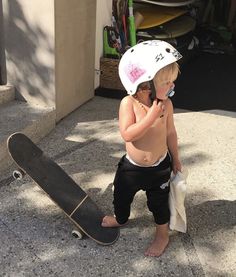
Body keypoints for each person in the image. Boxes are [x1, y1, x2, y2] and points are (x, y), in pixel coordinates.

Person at [102, 40, 182, 257]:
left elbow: (170, 133)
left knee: (159, 205)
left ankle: (162, 235)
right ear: (145, 83)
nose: (172, 86)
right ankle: (120, 218)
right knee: (121, 195)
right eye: (166, 82)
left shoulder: (166, 105)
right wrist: (151, 116)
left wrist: (175, 158)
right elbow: (128, 134)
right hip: (132, 168)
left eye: (172, 81)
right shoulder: (128, 104)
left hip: (159, 168)